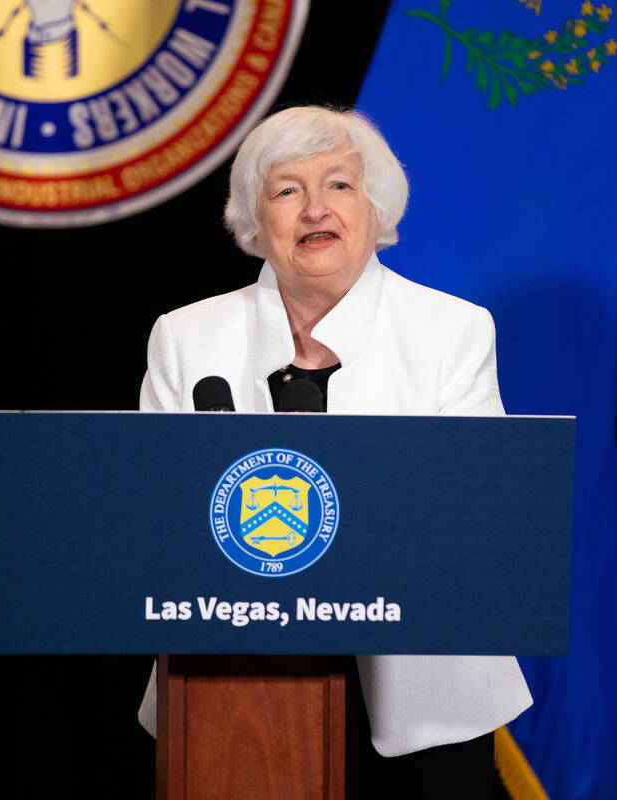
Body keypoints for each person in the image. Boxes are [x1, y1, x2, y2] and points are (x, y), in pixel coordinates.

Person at [137, 105, 532, 795]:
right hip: (231, 693)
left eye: (340, 186)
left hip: (425, 693)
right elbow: (148, 514)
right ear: (255, 224)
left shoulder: (452, 332)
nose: (315, 206)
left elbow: (479, 514)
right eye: (287, 189)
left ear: (376, 210)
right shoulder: (185, 337)